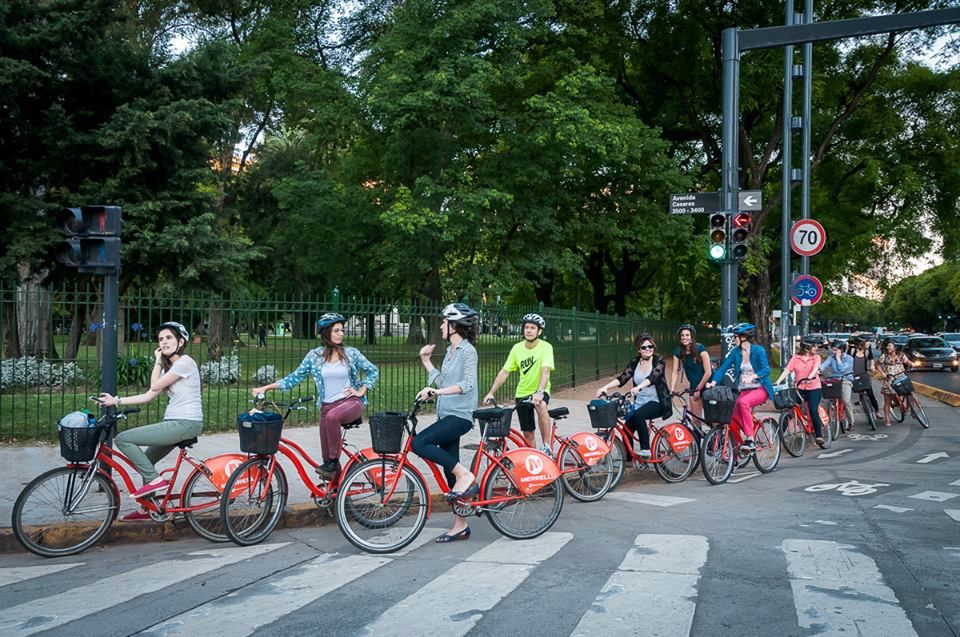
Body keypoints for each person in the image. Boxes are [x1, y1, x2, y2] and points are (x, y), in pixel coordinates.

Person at [96, 322, 203, 521]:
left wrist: (158, 360)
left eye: (169, 338)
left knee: (123, 439)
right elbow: (149, 395)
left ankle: (154, 480)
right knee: (148, 461)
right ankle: (147, 508)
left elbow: (154, 384)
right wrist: (116, 401)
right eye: (161, 339)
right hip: (177, 423)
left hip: (184, 423)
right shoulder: (172, 369)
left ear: (181, 342)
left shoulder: (185, 362)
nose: (164, 342)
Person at [252, 313, 378, 479]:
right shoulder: (315, 356)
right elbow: (293, 378)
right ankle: (337, 494)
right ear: (326, 333)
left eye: (342, 330)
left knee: (333, 425)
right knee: (327, 461)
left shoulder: (351, 353)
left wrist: (362, 390)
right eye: (336, 331)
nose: (341, 334)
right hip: (327, 407)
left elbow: (372, 370)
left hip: (350, 402)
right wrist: (266, 388)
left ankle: (333, 462)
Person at [411, 303, 479, 543]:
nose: (440, 325)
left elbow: (468, 384)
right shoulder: (451, 352)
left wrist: (436, 394)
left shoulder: (467, 351)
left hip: (460, 416)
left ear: (453, 325)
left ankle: (465, 475)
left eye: (443, 322)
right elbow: (441, 382)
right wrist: (427, 361)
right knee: (449, 470)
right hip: (447, 415)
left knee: (419, 443)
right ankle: (461, 525)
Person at [482, 313, 555, 454]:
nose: (528, 330)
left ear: (539, 331)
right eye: (526, 327)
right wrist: (491, 392)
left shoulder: (546, 347)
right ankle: (534, 458)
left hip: (540, 390)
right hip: (522, 392)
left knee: (542, 406)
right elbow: (505, 371)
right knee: (528, 433)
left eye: (533, 328)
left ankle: (547, 447)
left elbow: (545, 371)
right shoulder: (517, 348)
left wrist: (540, 392)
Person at [595, 333, 671, 459]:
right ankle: (629, 459)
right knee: (626, 429)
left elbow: (653, 377)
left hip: (658, 402)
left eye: (650, 346)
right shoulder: (635, 362)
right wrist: (605, 387)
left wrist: (639, 386)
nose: (647, 349)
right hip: (640, 403)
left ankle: (646, 449)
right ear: (638, 350)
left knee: (639, 415)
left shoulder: (659, 361)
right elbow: (622, 378)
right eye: (644, 347)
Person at [705, 323, 774, 453]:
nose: (733, 340)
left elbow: (766, 370)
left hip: (760, 388)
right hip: (744, 390)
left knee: (743, 403)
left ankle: (750, 439)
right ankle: (735, 454)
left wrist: (753, 376)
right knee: (730, 414)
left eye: (735, 337)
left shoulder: (759, 350)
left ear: (744, 337)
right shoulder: (736, 352)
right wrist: (713, 382)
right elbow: (723, 368)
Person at [775, 335, 827, 446]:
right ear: (807, 347)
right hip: (799, 387)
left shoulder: (816, 357)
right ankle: (779, 435)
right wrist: (778, 382)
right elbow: (787, 370)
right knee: (790, 409)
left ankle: (818, 436)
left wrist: (811, 376)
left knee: (813, 410)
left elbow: (815, 368)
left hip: (814, 387)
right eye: (814, 345)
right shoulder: (795, 358)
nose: (816, 347)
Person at [669, 324, 711, 417]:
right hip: (694, 385)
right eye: (682, 335)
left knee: (712, 417)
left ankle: (716, 431)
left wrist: (698, 389)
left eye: (687, 335)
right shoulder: (678, 351)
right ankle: (699, 431)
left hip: (708, 384)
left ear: (692, 337)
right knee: (695, 418)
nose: (684, 337)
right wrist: (672, 389)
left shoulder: (701, 348)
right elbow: (675, 371)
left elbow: (708, 372)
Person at [820, 340, 855, 433]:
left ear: (842, 350)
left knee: (846, 400)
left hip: (845, 380)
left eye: (836, 350)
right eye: (833, 350)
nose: (834, 352)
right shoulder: (831, 358)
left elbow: (843, 370)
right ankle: (827, 421)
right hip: (834, 380)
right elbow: (823, 366)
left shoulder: (849, 359)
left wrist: (838, 359)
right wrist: (818, 371)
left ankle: (851, 422)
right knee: (827, 399)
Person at [877, 340, 912, 427]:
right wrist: (882, 373)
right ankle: (887, 419)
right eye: (887, 346)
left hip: (901, 378)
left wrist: (914, 364)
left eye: (890, 346)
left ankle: (912, 411)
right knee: (887, 400)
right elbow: (877, 365)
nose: (888, 348)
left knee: (909, 393)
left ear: (895, 347)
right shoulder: (884, 356)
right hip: (889, 380)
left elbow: (907, 362)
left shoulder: (901, 356)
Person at [851, 335, 882, 422]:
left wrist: (872, 365)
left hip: (864, 374)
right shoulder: (852, 350)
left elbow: (871, 359)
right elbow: (848, 360)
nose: (869, 344)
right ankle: (862, 402)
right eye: (867, 342)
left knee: (870, 393)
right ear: (862, 343)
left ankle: (877, 412)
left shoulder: (867, 351)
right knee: (859, 390)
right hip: (854, 375)